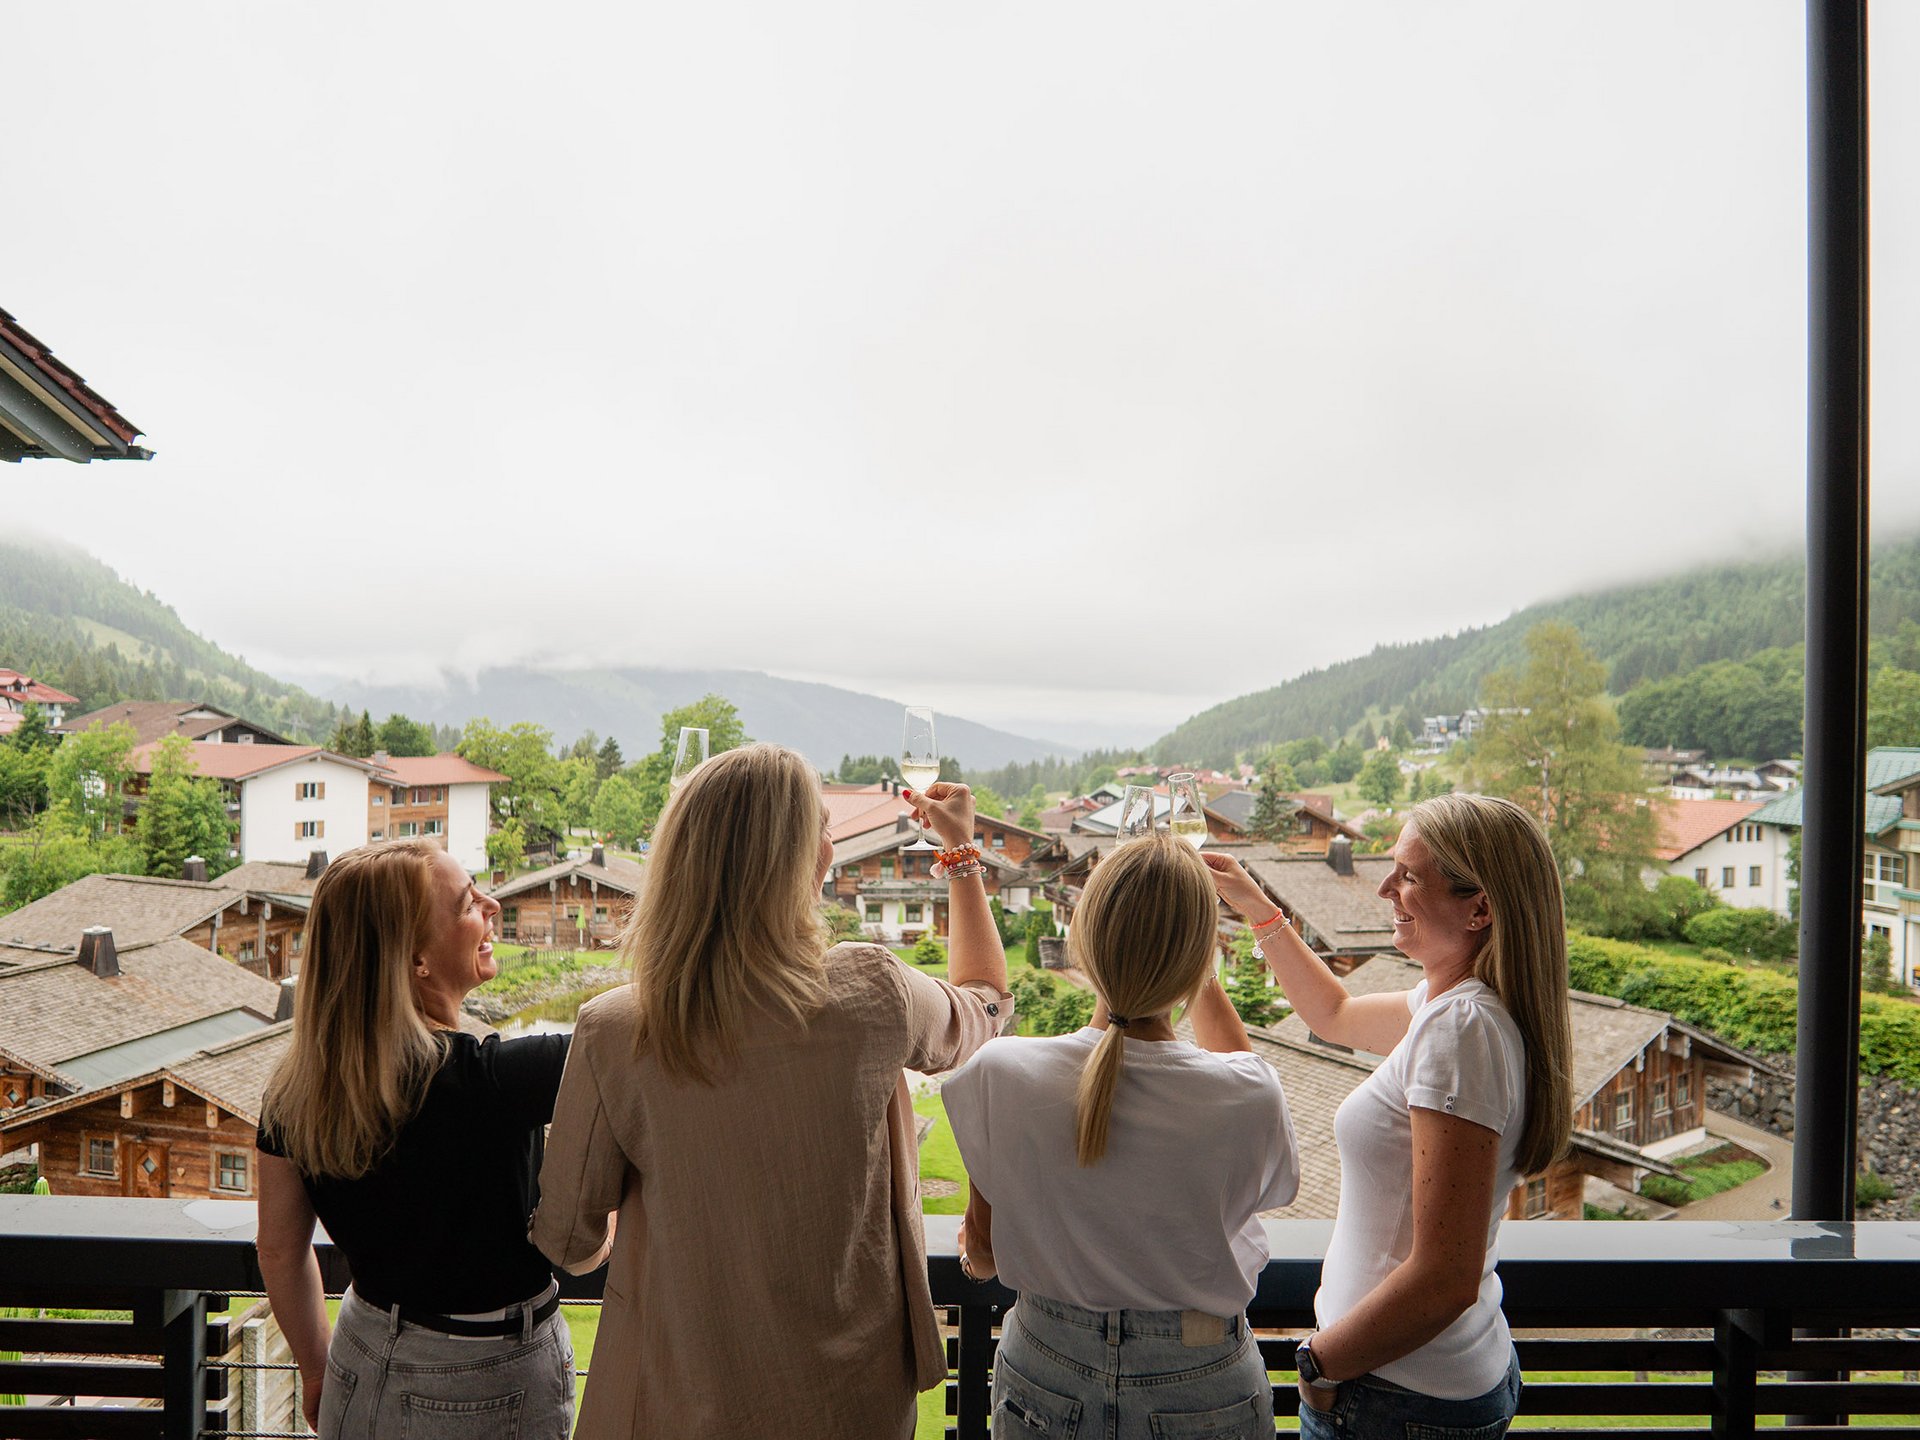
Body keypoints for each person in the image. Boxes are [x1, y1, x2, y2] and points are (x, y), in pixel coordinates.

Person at [531, 744, 1011, 1439]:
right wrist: (961, 855)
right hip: (854, 1402)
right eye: (820, 830)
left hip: (678, 1398)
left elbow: (569, 1240)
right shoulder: (872, 992)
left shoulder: (614, 1030)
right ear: (796, 861)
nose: (831, 852)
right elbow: (987, 1007)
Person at [1204, 792, 1573, 1439]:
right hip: (1419, 1382)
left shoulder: (1460, 1029)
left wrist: (1319, 1365)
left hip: (1397, 1395)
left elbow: (1445, 1276)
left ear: (1479, 907)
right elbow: (1335, 1017)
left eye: (1407, 875)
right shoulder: (1455, 1002)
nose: (1383, 888)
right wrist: (1259, 909)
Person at [943, 831, 1299, 1439]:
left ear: (1083, 946)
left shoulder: (999, 1074)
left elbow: (984, 1253)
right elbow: (1235, 1072)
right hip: (1201, 1378)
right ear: (1200, 960)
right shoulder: (1249, 1092)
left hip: (1046, 1377)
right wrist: (1187, 962)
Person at [254, 840, 574, 1439]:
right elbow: (641, 1035)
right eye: (466, 904)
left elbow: (278, 1248)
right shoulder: (495, 1080)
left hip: (360, 1358)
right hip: (488, 1378)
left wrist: (316, 1367)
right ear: (417, 960)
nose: (493, 906)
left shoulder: (299, 1091)